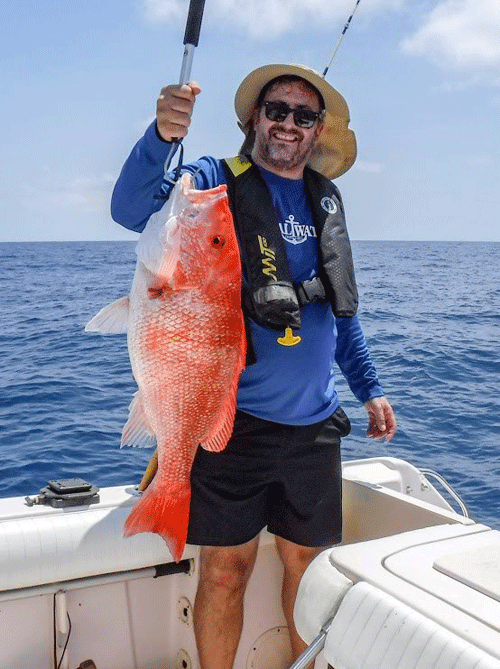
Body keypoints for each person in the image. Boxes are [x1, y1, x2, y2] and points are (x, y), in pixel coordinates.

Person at [111, 63, 397, 668]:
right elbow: (131, 206)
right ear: (253, 120)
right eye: (276, 110)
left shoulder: (325, 203)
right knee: (224, 570)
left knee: (310, 570)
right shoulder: (213, 180)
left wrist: (369, 388)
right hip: (228, 418)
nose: (288, 123)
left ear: (319, 131)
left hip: (313, 427)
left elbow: (340, 312)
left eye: (303, 114)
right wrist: (162, 138)